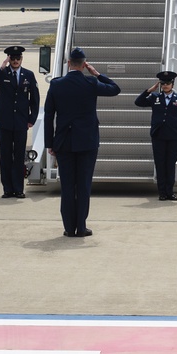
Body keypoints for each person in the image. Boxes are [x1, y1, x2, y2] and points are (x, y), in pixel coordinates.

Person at [44, 48, 120, 236]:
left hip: (64, 142)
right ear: (84, 65)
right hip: (87, 142)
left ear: (69, 63)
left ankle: (69, 228)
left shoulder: (56, 85)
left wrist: (49, 143)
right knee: (84, 185)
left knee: (68, 186)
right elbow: (115, 89)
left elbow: (48, 115)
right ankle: (81, 226)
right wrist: (98, 74)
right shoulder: (91, 82)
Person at [0, 46, 40, 198]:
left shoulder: (28, 75)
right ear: (9, 59)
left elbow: (35, 99)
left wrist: (31, 119)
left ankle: (18, 188)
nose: (15, 61)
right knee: (6, 155)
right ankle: (7, 188)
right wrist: (1, 67)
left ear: (22, 59)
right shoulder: (2, 73)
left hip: (21, 121)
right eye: (12, 59)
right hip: (4, 121)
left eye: (18, 58)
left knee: (19, 155)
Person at [134, 71, 177, 200]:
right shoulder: (155, 97)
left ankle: (170, 192)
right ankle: (162, 192)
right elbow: (138, 102)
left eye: (168, 83)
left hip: (174, 137)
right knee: (160, 164)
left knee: (170, 165)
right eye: (163, 83)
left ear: (172, 84)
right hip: (159, 136)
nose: (165, 86)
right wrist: (149, 90)